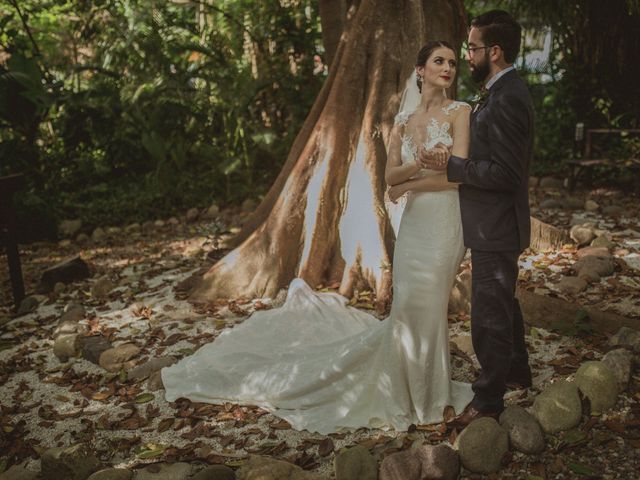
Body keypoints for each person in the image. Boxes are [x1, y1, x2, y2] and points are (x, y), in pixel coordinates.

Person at [161, 41, 474, 435]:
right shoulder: (403, 122)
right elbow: (390, 178)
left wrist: (415, 180)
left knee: (430, 306)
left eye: (452, 63)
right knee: (409, 306)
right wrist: (419, 167)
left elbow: (457, 174)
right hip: (413, 228)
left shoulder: (460, 112)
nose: (447, 68)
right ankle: (406, 390)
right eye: (439, 61)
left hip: (445, 222)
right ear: (420, 70)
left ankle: (431, 393)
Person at [420, 10, 533, 428]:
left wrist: (454, 167)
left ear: (495, 51)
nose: (466, 55)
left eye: (472, 48)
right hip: (494, 222)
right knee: (503, 301)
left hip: (496, 225)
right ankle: (518, 370)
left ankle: (488, 400)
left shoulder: (509, 97)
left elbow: (506, 174)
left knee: (488, 311)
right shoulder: (501, 91)